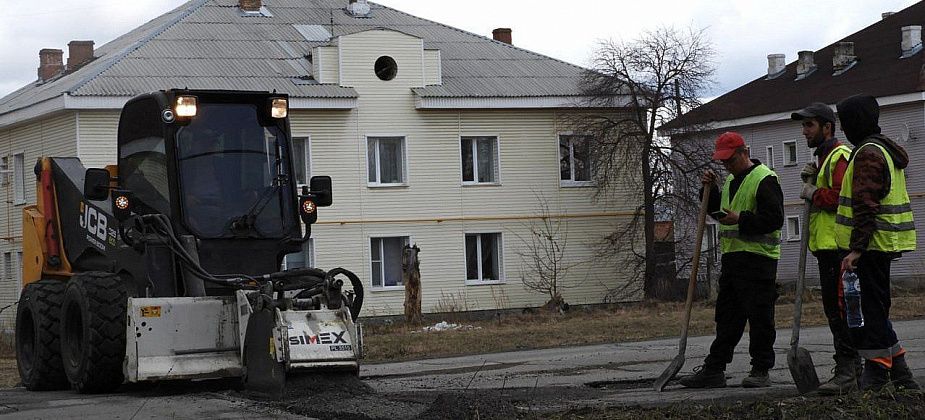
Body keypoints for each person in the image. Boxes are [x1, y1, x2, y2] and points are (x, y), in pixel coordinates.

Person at [679, 131, 784, 388]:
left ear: (744, 153)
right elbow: (719, 213)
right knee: (727, 317)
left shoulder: (764, 179)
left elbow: (774, 219)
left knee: (760, 318)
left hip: (759, 261)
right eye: (723, 162)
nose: (726, 165)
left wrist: (742, 219)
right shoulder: (729, 182)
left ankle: (761, 369)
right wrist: (709, 191)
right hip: (733, 260)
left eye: (730, 160)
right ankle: (715, 368)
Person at [835, 95, 918, 391]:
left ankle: (877, 373)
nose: (843, 130)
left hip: (870, 246)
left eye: (845, 123)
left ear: (855, 122)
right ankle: (901, 373)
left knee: (870, 311)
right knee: (876, 308)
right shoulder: (882, 150)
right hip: (882, 243)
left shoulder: (868, 153)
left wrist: (856, 249)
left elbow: (865, 204)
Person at [790, 103, 859, 394]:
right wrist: (814, 179)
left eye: (810, 126)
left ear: (827, 127)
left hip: (838, 247)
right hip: (827, 247)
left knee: (840, 310)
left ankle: (848, 370)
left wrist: (814, 192)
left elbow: (844, 198)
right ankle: (852, 369)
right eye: (804, 126)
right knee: (835, 310)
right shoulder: (825, 159)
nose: (804, 131)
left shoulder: (839, 157)